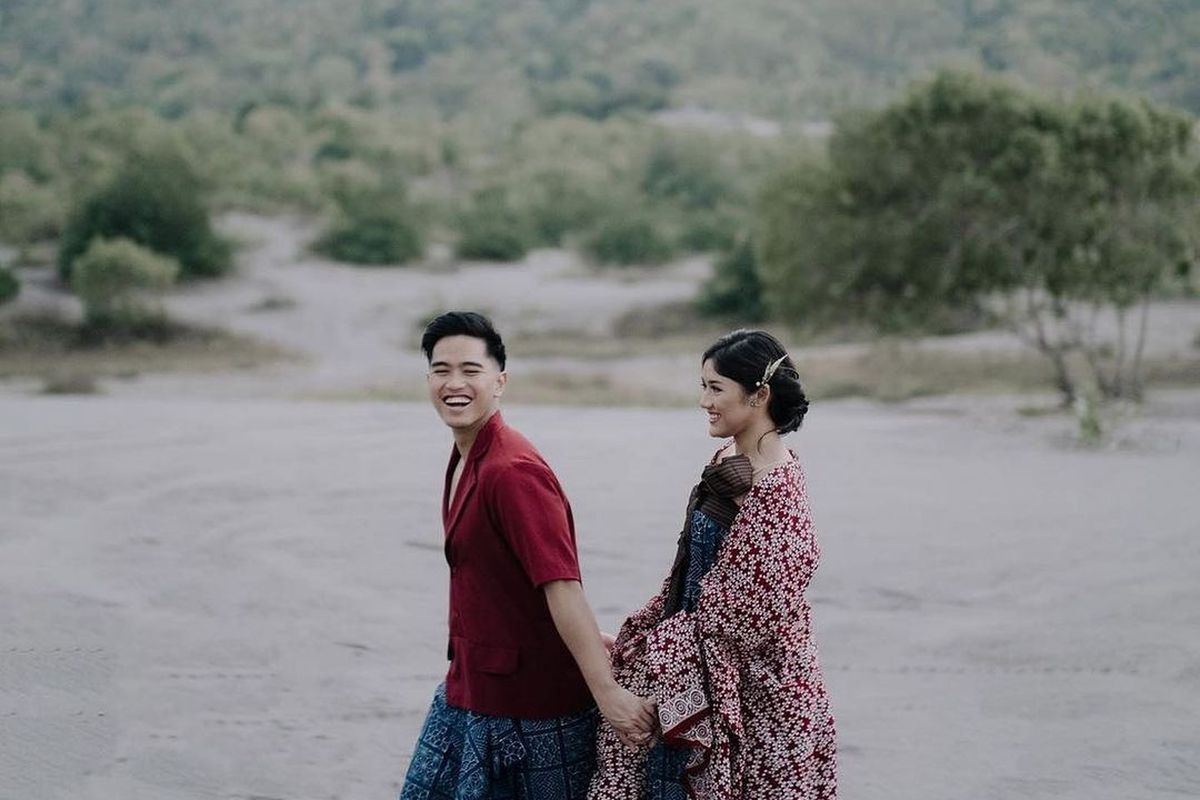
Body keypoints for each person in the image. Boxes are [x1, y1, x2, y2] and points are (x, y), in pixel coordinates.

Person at [400, 311, 655, 800]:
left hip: (531, 715)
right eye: (441, 370)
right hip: (470, 689)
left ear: (499, 381)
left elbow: (561, 585)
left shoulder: (512, 470)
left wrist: (608, 695)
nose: (454, 383)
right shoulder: (465, 455)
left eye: (471, 371)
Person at [589, 329, 837, 800]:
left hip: (753, 688)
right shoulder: (728, 458)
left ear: (759, 395)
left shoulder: (776, 494)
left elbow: (740, 622)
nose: (704, 400)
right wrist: (638, 633)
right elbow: (690, 568)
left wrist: (651, 655)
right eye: (703, 386)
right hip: (693, 657)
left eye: (716, 388)